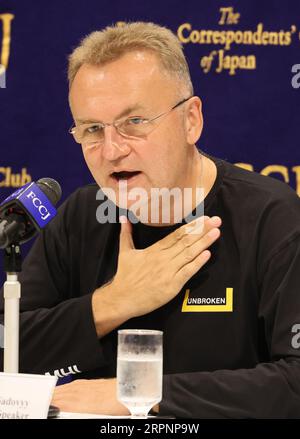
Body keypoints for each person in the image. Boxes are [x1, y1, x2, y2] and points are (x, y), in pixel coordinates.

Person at [1, 22, 300, 419]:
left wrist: (140, 394)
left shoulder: (272, 218)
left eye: (134, 122)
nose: (111, 150)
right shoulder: (82, 215)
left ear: (191, 120)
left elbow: (293, 383)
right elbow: (10, 350)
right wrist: (114, 301)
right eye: (92, 129)